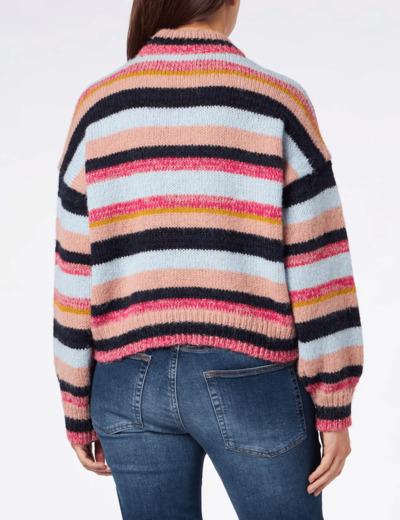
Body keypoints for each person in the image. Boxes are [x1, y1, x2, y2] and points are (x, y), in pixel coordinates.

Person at [52, 0, 364, 518]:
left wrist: (74, 399)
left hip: (127, 381)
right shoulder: (276, 102)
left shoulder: (98, 109)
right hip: (251, 375)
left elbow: (73, 270)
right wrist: (334, 400)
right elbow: (319, 260)